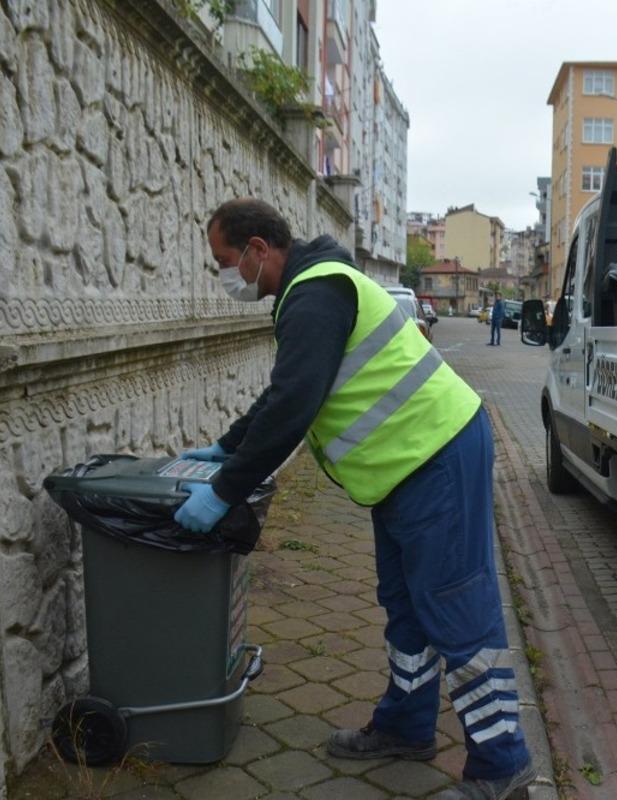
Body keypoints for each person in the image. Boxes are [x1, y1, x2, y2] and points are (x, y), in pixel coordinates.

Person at [174, 198, 534, 799]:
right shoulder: (312, 289)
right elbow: (285, 392)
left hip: (435, 457)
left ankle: (503, 766)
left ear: (258, 249)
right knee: (405, 604)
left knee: (456, 609)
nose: (224, 274)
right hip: (406, 467)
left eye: (225, 260)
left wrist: (225, 490)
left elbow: (294, 406)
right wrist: (227, 447)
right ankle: (406, 726)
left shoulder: (317, 293)